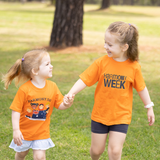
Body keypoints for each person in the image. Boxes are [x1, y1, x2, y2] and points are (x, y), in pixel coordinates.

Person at [66, 21, 155, 160]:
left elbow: (141, 88)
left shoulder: (134, 67)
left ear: (124, 47)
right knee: (96, 151)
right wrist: (71, 92)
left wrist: (149, 107)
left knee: (115, 152)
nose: (105, 46)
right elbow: (85, 79)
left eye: (110, 44)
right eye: (105, 42)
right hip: (100, 114)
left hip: (121, 116)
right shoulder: (101, 63)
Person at [2, 49, 74, 160]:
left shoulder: (53, 86)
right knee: (22, 153)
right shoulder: (24, 89)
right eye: (47, 64)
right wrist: (16, 130)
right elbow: (15, 110)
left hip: (41, 132)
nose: (51, 66)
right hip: (24, 133)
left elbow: (60, 105)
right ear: (35, 71)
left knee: (40, 157)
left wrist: (67, 103)